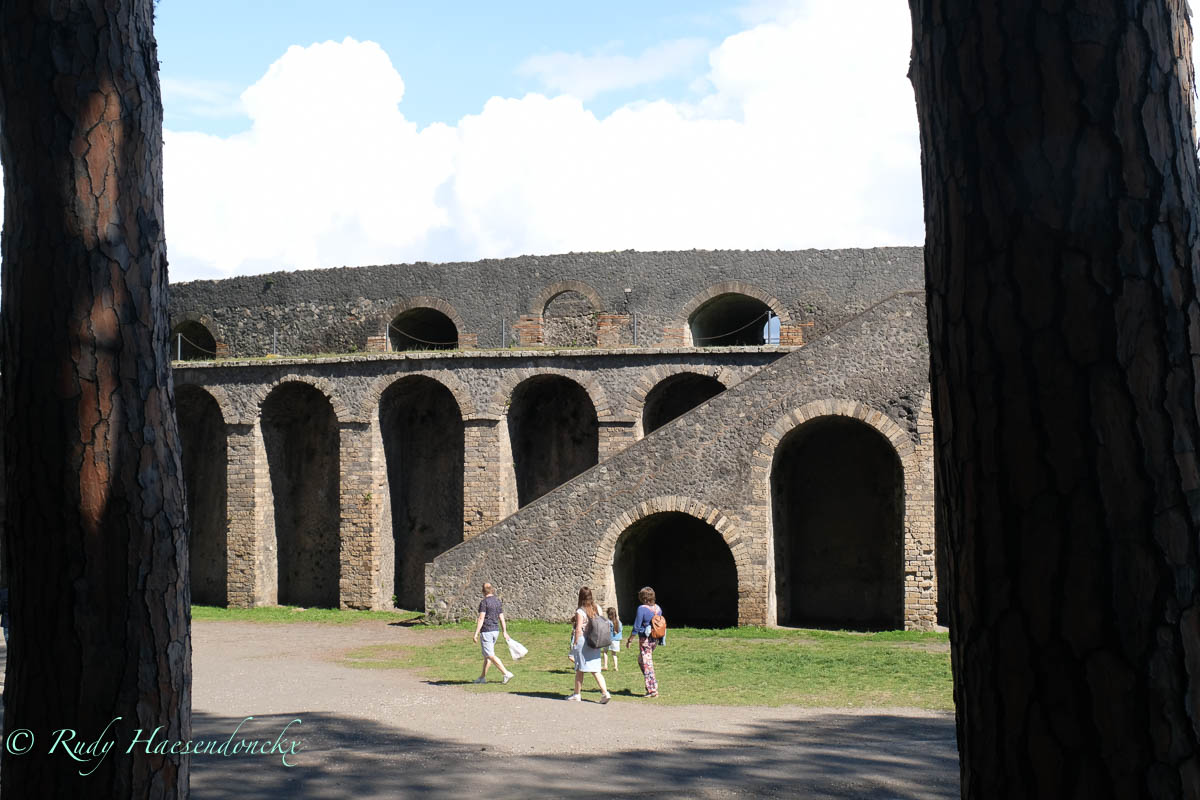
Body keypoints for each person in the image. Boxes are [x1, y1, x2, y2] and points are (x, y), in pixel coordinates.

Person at [567, 587, 611, 703]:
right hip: (594, 640)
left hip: (583, 641)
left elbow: (578, 629)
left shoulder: (580, 611)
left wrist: (575, 642)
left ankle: (577, 694)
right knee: (595, 669)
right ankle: (605, 692)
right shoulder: (597, 608)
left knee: (579, 669)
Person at [471, 582, 514, 684]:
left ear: (483, 591)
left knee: (490, 655)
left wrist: (476, 633)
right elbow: (502, 618)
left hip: (487, 631)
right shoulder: (497, 601)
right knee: (487, 656)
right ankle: (482, 678)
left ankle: (506, 673)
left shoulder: (484, 602)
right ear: (492, 590)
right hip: (495, 631)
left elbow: (481, 618)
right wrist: (504, 631)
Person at [625, 585, 663, 698]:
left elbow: (636, 626)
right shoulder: (658, 608)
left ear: (643, 598)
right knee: (641, 660)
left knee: (647, 664)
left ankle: (652, 690)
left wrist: (630, 640)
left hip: (645, 639)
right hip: (655, 639)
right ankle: (650, 682)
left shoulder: (641, 609)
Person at [602, 605, 621, 671]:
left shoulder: (607, 622)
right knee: (614, 654)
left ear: (608, 614)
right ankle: (616, 667)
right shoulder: (619, 622)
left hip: (608, 639)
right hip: (616, 640)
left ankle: (605, 666)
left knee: (605, 652)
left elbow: (604, 630)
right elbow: (620, 630)